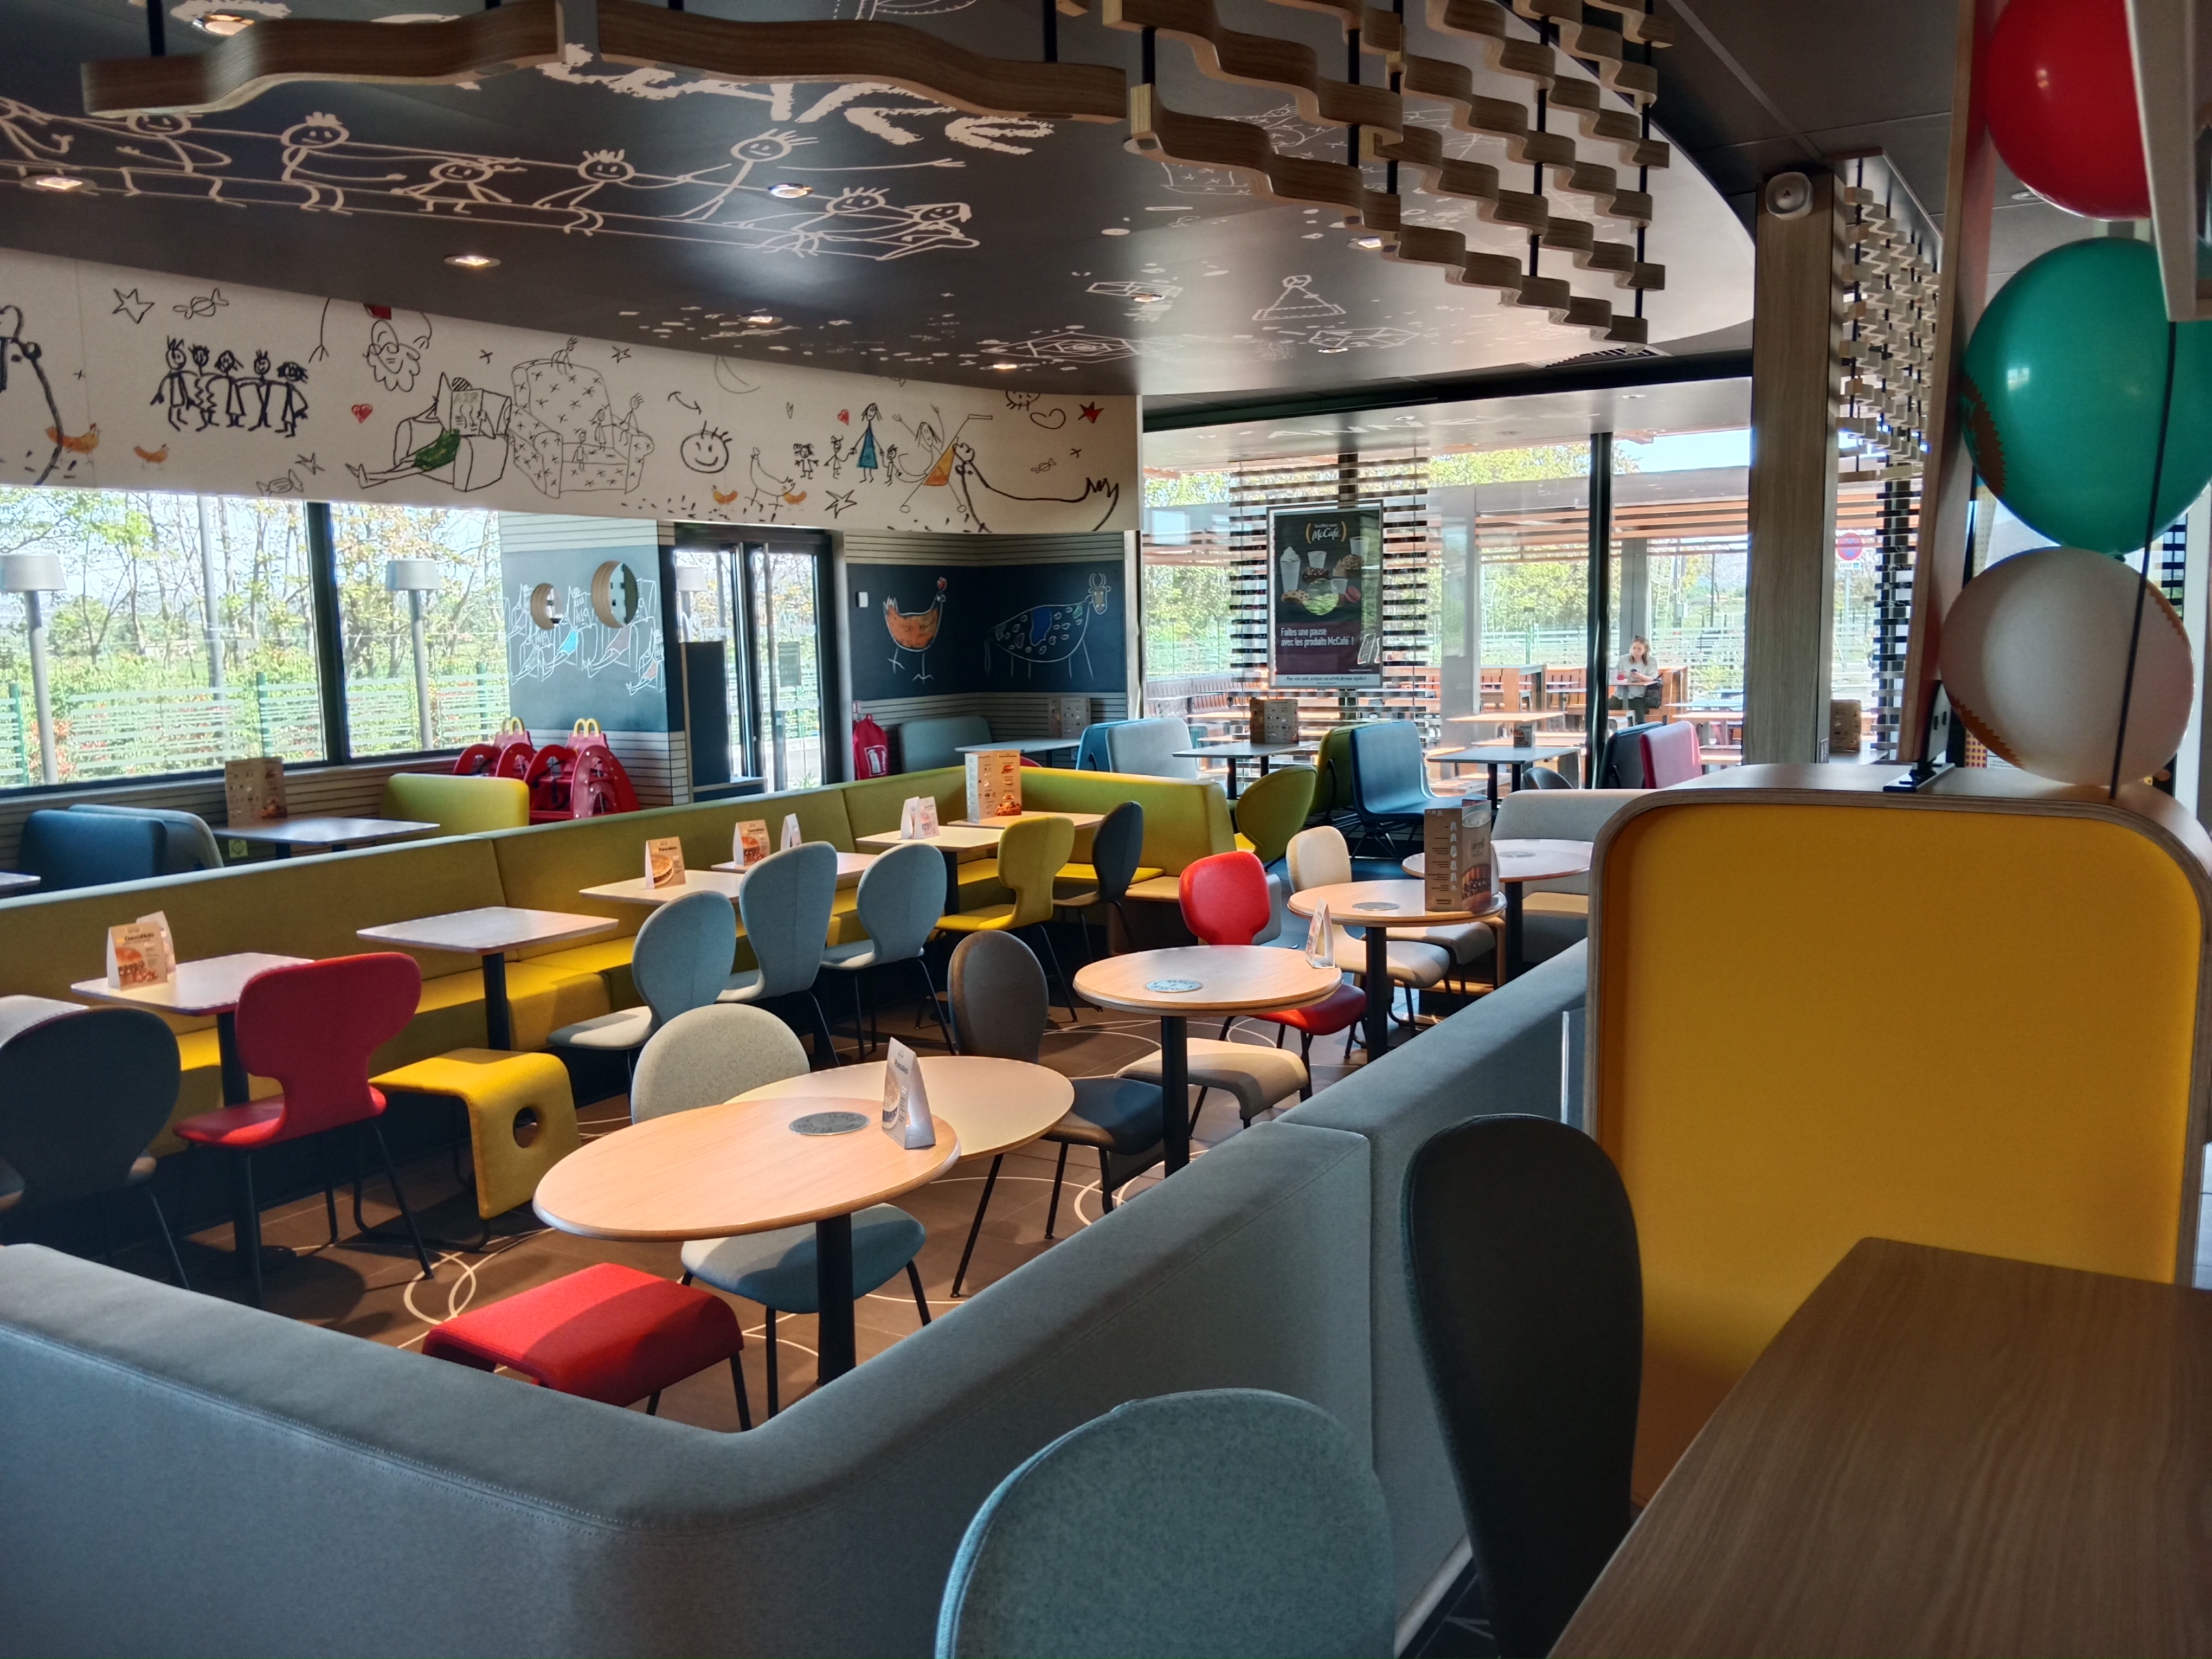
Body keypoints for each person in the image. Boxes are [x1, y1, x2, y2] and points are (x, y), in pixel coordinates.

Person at [1610, 636, 1663, 722]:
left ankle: (1640, 730)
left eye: (1639, 649)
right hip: (1620, 696)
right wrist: (1626, 674)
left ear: (1645, 650)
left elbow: (1653, 678)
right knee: (1604, 708)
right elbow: (1614, 675)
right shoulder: (1623, 660)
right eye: (1634, 648)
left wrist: (1641, 677)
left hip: (1638, 696)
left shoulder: (1651, 661)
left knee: (1639, 715)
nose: (1636, 651)